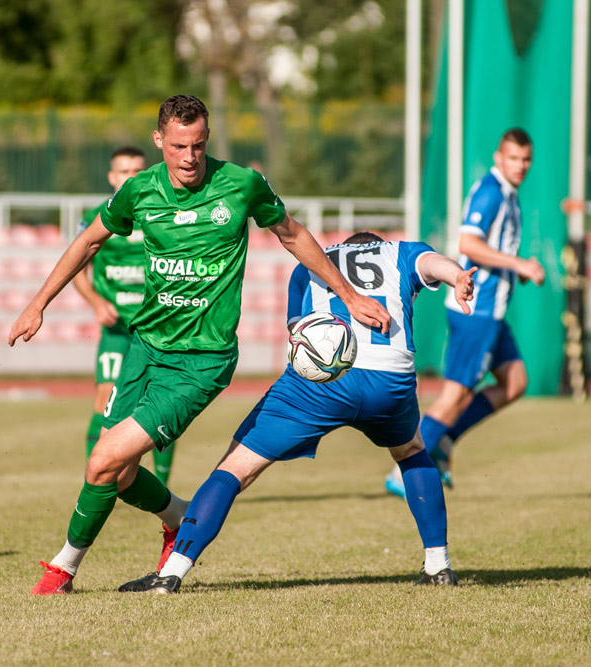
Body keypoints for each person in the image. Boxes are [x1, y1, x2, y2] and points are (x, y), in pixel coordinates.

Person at [8, 94, 391, 595]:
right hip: (144, 348)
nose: (191, 157)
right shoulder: (140, 191)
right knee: (119, 477)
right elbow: (88, 241)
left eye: (200, 145)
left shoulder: (241, 185)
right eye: (180, 146)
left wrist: (349, 295)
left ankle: (62, 570)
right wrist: (39, 302)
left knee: (101, 460)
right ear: (159, 141)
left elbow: (292, 234)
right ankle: (179, 517)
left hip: (202, 361)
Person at [117, 231, 477, 594]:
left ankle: (171, 574)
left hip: (320, 386)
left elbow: (298, 336)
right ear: (375, 242)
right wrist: (458, 276)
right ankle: (438, 566)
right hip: (390, 381)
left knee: (235, 469)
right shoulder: (402, 251)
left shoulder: (311, 263)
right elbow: (434, 265)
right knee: (412, 451)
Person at [384, 127, 545, 499]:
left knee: (515, 381)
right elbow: (468, 244)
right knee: (455, 394)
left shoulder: (508, 194)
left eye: (526, 160)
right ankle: (400, 470)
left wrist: (512, 271)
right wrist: (518, 264)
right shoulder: (491, 192)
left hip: (494, 310)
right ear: (498, 158)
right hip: (476, 310)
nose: (521, 166)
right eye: (514, 158)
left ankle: (443, 443)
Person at [71, 146, 178, 485]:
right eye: (124, 172)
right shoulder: (95, 217)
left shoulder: (162, 213)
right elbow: (76, 266)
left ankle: (160, 483)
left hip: (159, 327)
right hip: (117, 329)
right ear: (111, 177)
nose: (131, 177)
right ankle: (96, 479)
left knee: (163, 406)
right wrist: (96, 302)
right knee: (104, 397)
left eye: (137, 171)